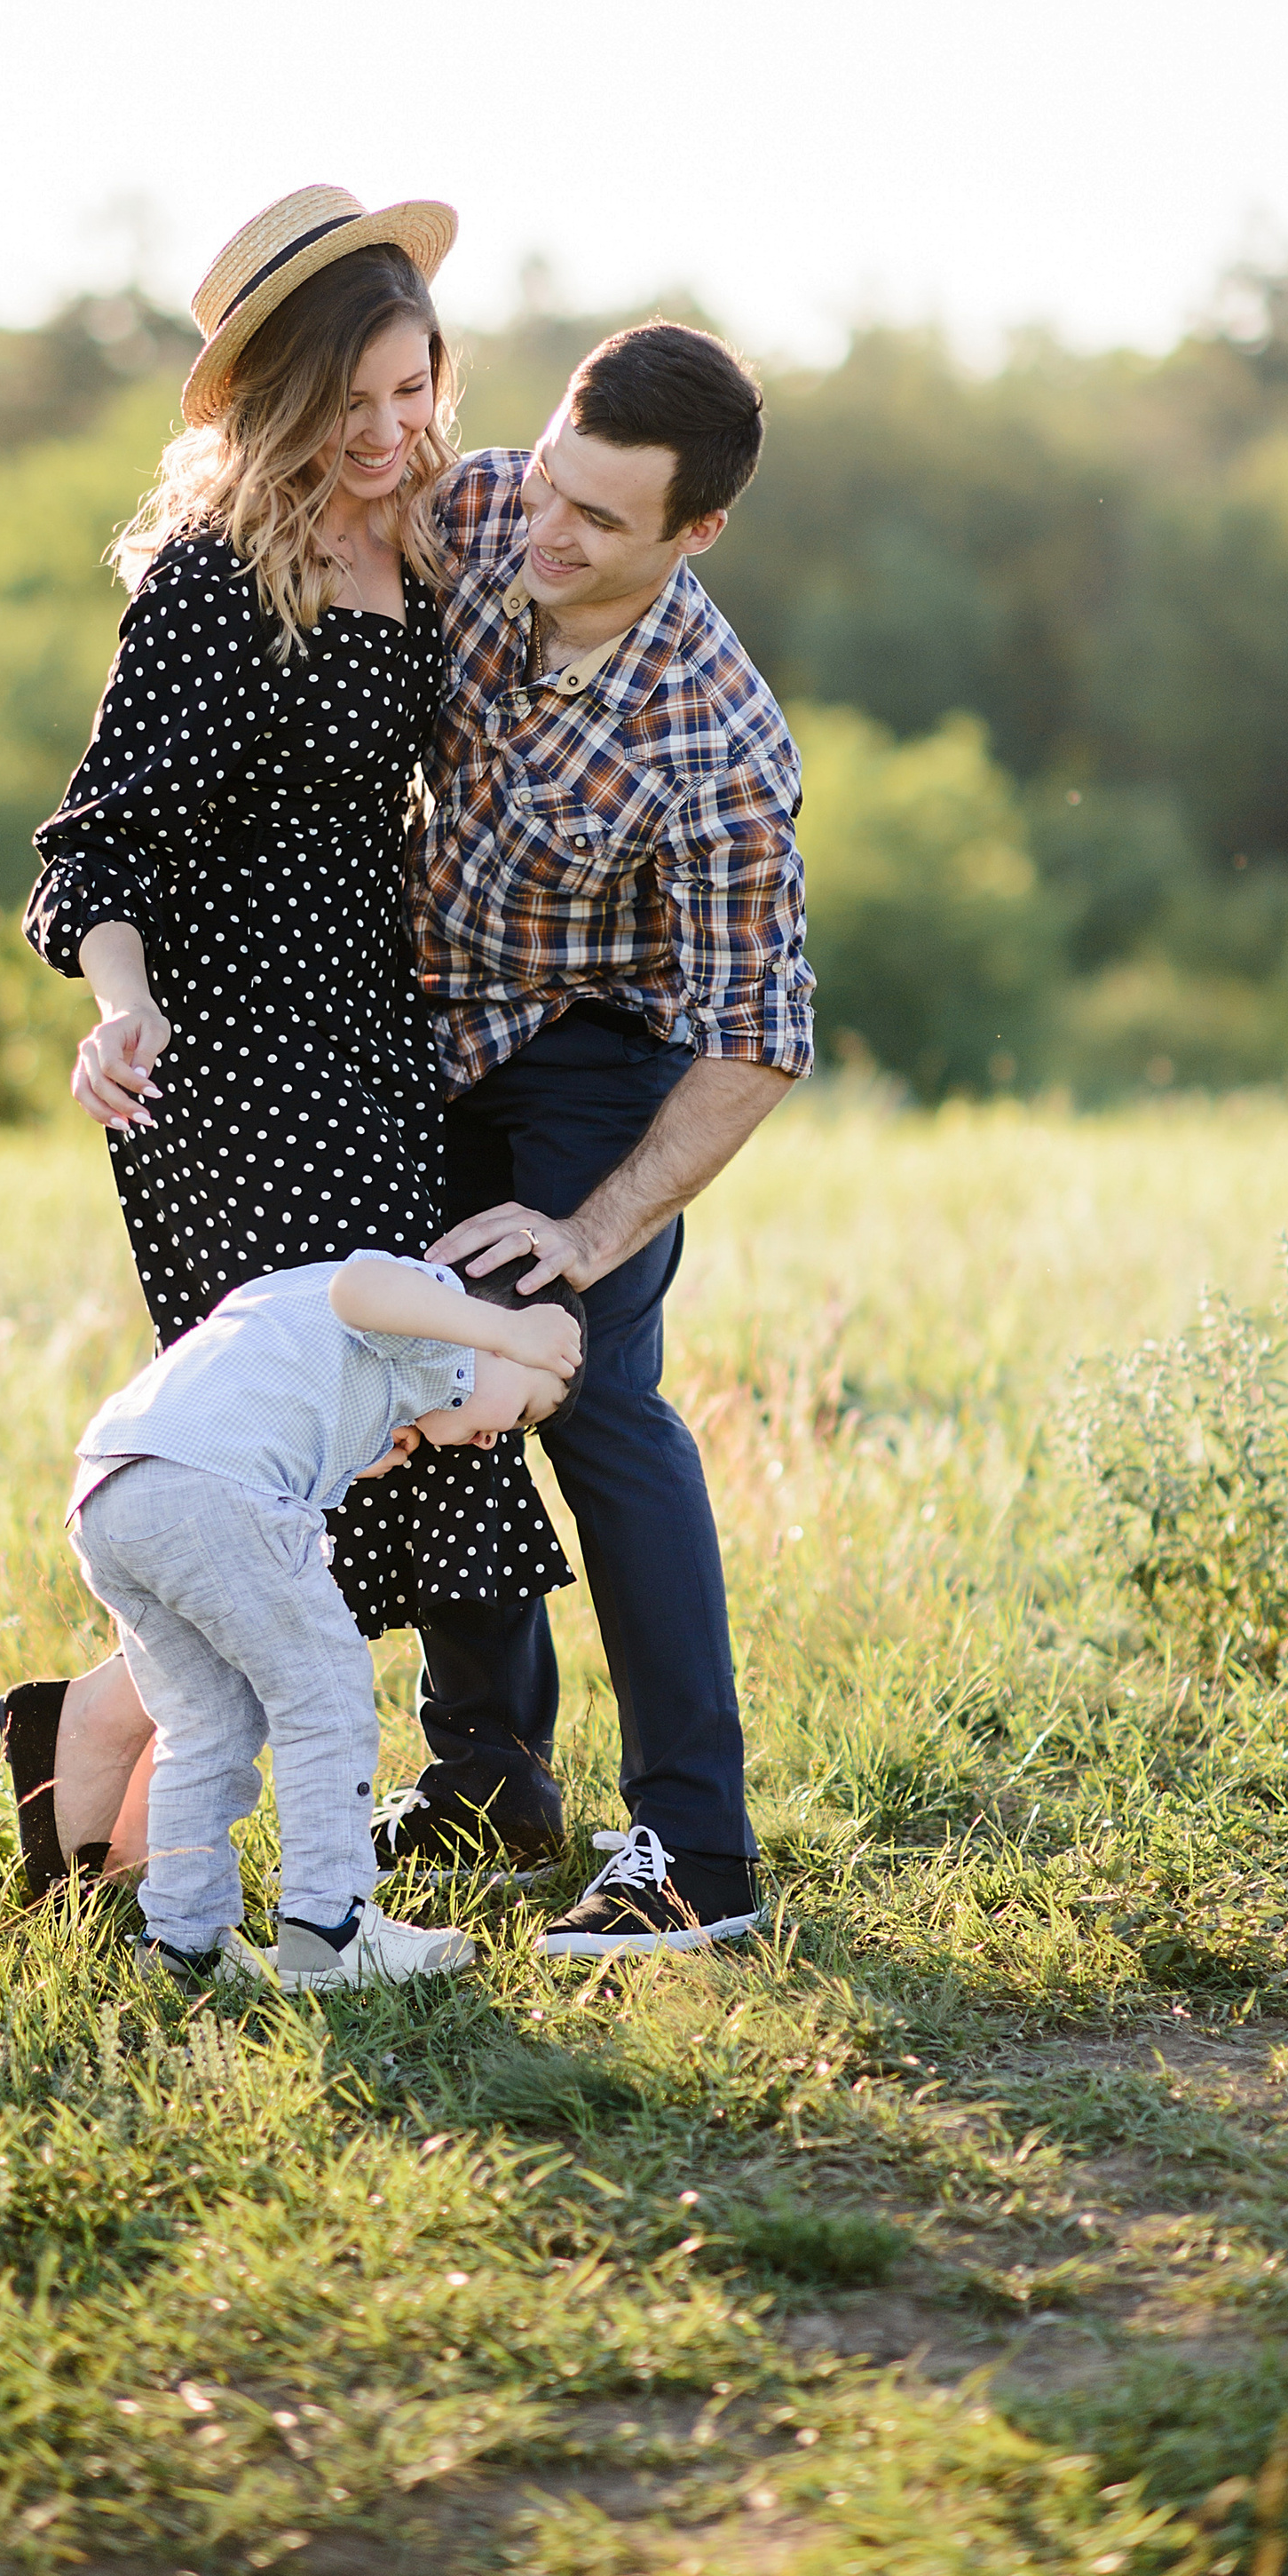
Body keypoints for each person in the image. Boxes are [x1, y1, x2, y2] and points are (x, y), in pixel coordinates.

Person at [1, 187, 571, 1897]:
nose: (395, 431)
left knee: (372, 1443)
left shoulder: (429, 545)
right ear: (280, 403)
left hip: (374, 1058)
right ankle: (124, 1764)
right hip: (233, 1079)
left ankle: (114, 1751)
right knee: (291, 1455)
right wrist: (123, 1007)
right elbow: (94, 846)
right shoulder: (209, 583)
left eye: (419, 390)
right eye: (357, 402)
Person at [402, 320, 816, 1955]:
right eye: (551, 485)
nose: (544, 535)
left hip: (602, 1057)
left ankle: (697, 1855)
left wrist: (588, 1236)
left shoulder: (717, 740)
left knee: (589, 1392)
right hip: (423, 1020)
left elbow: (754, 1042)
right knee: (435, 1374)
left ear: (694, 534)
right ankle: (488, 1776)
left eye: (599, 522)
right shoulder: (489, 501)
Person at [67, 1248, 582, 1991]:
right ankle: (329, 1929)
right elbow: (359, 1287)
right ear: (503, 1337)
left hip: (116, 1489)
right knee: (329, 1699)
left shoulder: (357, 1338)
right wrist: (518, 1334)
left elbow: (271, 1376)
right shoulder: (437, 1310)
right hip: (217, 1489)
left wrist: (355, 1448)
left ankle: (184, 1940)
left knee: (208, 1725)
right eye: (526, 1410)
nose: (494, 1439)